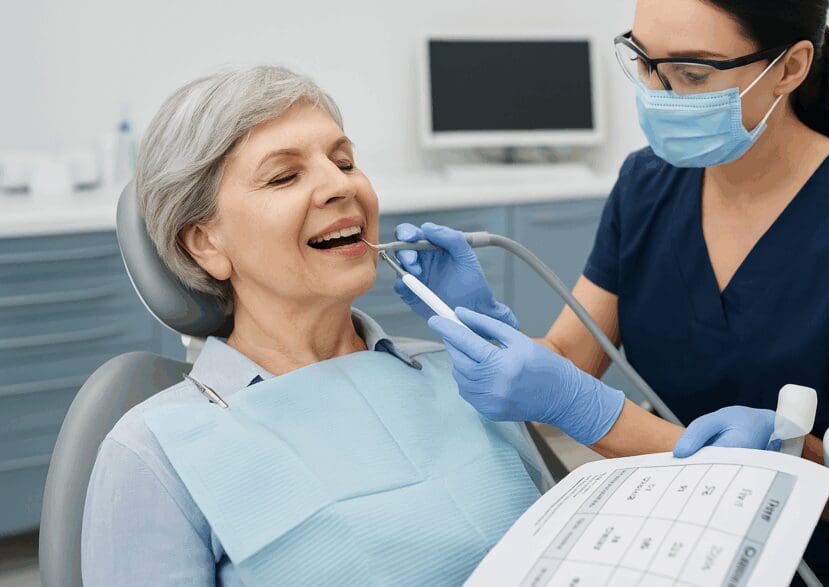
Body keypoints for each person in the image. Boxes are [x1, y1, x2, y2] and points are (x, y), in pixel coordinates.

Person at [396, 0, 829, 585]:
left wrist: (779, 452)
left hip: (813, 565)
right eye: (645, 62)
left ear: (790, 67)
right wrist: (475, 323)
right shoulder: (648, 184)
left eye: (691, 73)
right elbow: (572, 354)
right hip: (672, 536)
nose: (658, 93)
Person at [80, 66, 774, 586]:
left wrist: (701, 466)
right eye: (284, 177)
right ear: (206, 244)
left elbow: (579, 550)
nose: (340, 184)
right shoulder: (157, 450)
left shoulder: (466, 373)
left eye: (344, 160)